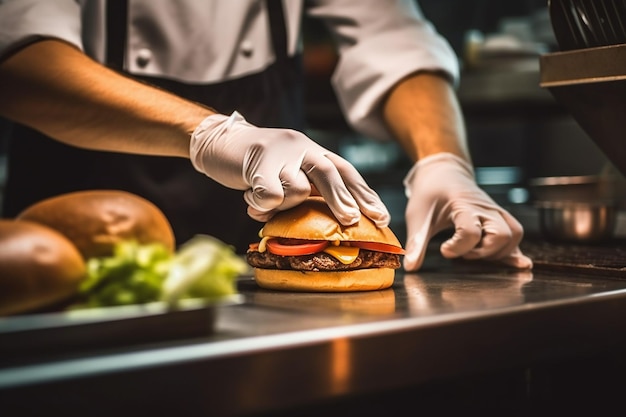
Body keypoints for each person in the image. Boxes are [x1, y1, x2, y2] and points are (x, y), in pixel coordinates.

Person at [0, 0, 532, 271]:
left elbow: (392, 37)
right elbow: (20, 59)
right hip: (68, 257)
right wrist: (208, 133)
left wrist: (443, 162)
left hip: (259, 248)